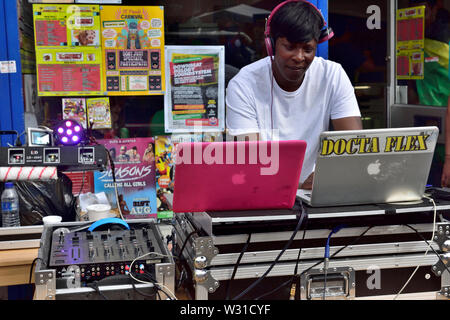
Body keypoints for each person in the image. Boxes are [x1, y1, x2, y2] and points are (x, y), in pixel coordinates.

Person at [226, 0, 362, 189]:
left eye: (308, 49)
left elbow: (355, 146)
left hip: (314, 191)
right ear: (271, 45)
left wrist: (329, 175)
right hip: (262, 192)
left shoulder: (332, 75)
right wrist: (293, 187)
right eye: (289, 47)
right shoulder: (243, 84)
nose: (299, 57)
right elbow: (248, 163)